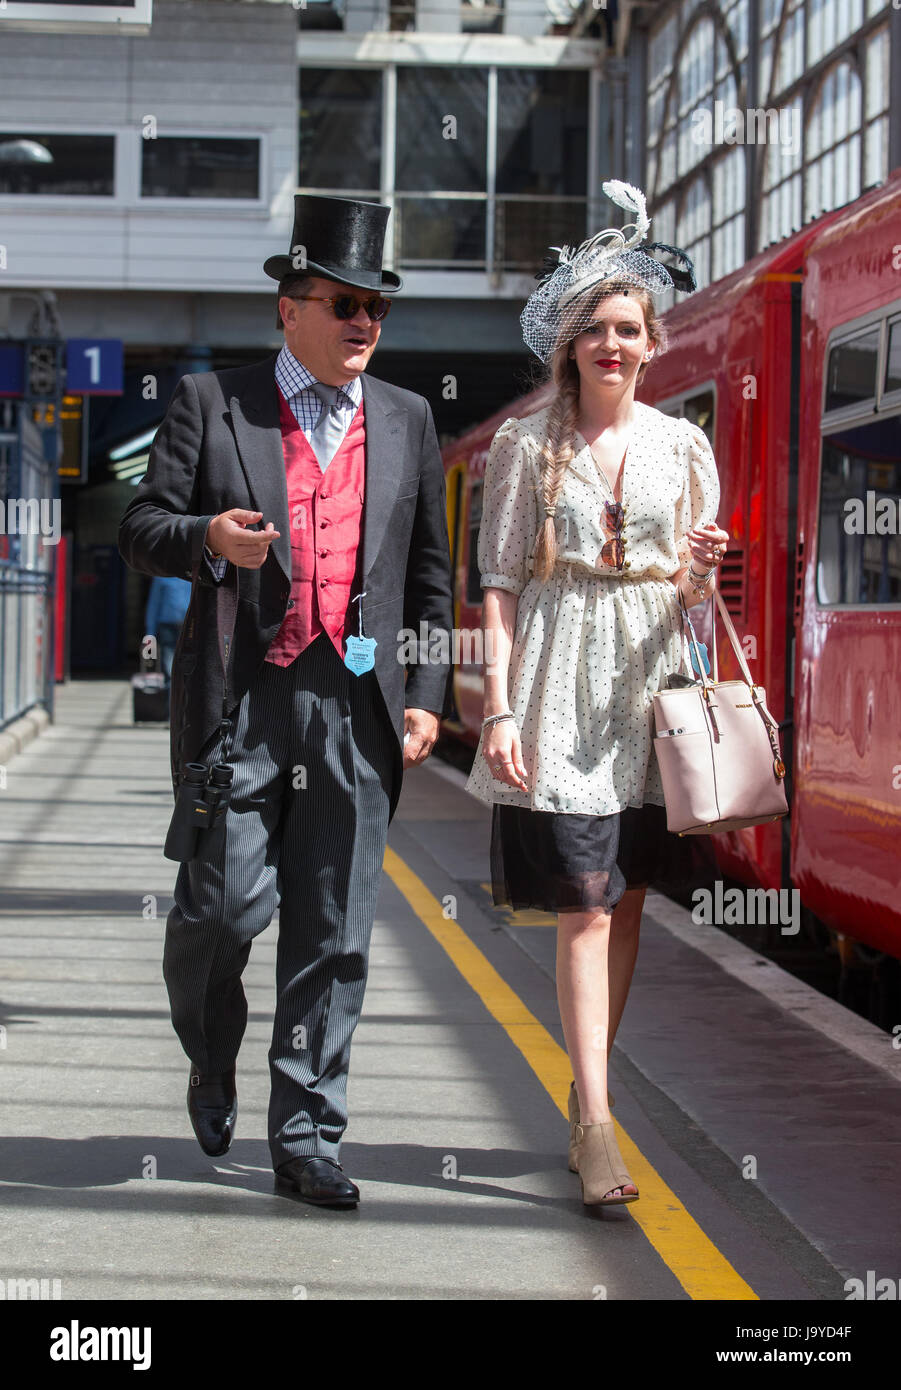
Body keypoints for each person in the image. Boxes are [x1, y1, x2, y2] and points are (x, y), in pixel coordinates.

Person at [119, 194, 454, 1209]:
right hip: (241, 700)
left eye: (376, 309)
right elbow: (136, 522)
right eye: (345, 303)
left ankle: (306, 1137)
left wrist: (427, 691)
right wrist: (207, 541)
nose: (363, 323)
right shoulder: (211, 404)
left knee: (335, 930)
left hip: (355, 706)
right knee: (219, 910)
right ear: (290, 310)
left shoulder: (407, 418)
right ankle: (212, 1052)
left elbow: (432, 574)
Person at [464, 181, 730, 1209]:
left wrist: (700, 562)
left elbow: (689, 589)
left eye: (628, 329)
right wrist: (496, 707)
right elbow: (498, 583)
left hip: (650, 682)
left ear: (652, 342)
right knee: (579, 905)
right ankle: (596, 1124)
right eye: (595, 331)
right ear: (568, 345)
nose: (611, 345)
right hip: (560, 680)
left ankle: (590, 1090)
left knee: (623, 904)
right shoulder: (524, 448)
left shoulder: (683, 446)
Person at [143, 575, 191, 682]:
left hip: (188, 626)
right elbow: (154, 604)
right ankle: (171, 695)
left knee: (187, 666)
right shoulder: (161, 576)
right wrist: (150, 633)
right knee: (170, 667)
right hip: (167, 626)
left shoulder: (191, 575)